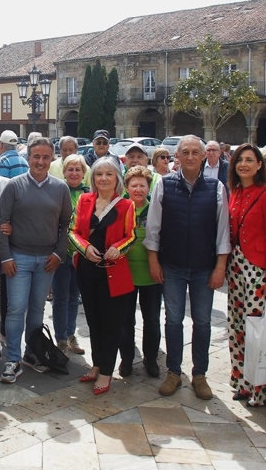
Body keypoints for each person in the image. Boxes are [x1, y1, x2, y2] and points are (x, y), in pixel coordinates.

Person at [145, 135, 230, 400]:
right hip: (172, 266)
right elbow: (153, 227)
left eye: (196, 152)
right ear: (177, 157)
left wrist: (220, 267)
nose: (191, 156)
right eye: (186, 152)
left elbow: (223, 232)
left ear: (204, 156)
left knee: (203, 322)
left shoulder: (216, 188)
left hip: (205, 267)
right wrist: (153, 260)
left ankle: (200, 374)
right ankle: (173, 372)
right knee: (173, 320)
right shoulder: (164, 185)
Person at [0, 136, 72, 383]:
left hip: (47, 259)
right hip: (18, 257)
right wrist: (6, 257)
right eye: (36, 156)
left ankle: (32, 352)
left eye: (46, 157)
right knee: (16, 309)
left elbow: (65, 226)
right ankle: (13, 359)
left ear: (52, 159)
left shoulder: (61, 188)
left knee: (37, 310)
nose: (40, 161)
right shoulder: (14, 186)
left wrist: (59, 254)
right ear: (28, 158)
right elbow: (0, 223)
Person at [69, 156, 136, 395]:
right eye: (99, 174)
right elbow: (72, 231)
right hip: (87, 271)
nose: (103, 178)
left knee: (111, 323)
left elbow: (131, 235)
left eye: (109, 174)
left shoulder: (126, 205)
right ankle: (97, 364)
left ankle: (107, 371)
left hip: (113, 273)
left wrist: (119, 247)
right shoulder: (84, 201)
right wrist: (85, 247)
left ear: (116, 178)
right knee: (92, 319)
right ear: (93, 178)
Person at [225, 143, 266, 407]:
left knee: (257, 330)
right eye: (240, 160)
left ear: (260, 165)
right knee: (237, 327)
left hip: (259, 272)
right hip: (237, 270)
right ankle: (242, 382)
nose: (244, 165)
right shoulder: (235, 192)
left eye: (250, 160)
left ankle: (260, 390)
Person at [122, 166, 161, 378]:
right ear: (127, 188)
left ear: (149, 187)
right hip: (126, 274)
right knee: (126, 320)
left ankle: (151, 359)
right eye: (134, 185)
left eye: (142, 185)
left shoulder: (155, 209)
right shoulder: (121, 209)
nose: (138, 189)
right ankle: (126, 359)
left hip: (151, 274)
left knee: (152, 320)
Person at [52, 153, 90, 356]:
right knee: (60, 297)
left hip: (81, 254)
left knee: (74, 297)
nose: (74, 173)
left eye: (78, 169)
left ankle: (70, 333)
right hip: (61, 252)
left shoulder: (88, 194)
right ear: (64, 172)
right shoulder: (58, 191)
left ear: (84, 173)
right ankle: (60, 337)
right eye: (70, 169)